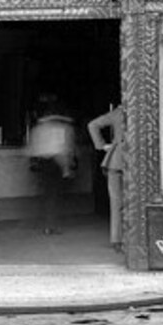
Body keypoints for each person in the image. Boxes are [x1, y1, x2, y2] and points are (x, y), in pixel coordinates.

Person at [27, 94, 76, 235]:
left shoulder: (39, 129)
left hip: (43, 163)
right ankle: (51, 225)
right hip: (56, 163)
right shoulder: (61, 128)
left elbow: (33, 148)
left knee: (47, 195)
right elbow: (63, 149)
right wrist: (66, 168)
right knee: (53, 196)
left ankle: (46, 224)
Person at [88, 104, 126, 251]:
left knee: (116, 202)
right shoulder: (141, 111)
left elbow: (92, 125)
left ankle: (117, 239)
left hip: (116, 159)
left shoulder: (117, 112)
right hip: (135, 160)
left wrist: (102, 146)